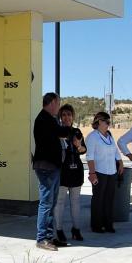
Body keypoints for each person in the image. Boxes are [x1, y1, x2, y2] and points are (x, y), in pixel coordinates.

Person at [32, 92, 83, 252]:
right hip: (46, 167)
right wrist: (71, 131)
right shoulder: (44, 119)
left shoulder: (49, 119)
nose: (59, 108)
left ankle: (49, 236)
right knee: (46, 203)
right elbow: (61, 132)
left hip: (52, 167)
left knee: (51, 202)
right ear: (53, 102)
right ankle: (42, 238)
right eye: (58, 104)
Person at [85, 111, 124, 233]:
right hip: (99, 172)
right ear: (99, 122)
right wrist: (92, 173)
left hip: (111, 172)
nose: (109, 124)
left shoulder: (109, 135)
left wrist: (121, 162)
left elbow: (116, 152)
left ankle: (108, 224)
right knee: (98, 199)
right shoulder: (92, 137)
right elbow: (89, 156)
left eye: (109, 122)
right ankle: (96, 225)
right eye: (107, 122)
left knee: (109, 199)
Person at [54, 104, 87, 244]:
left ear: (73, 116)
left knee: (75, 201)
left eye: (69, 114)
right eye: (64, 115)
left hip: (76, 170)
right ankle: (59, 230)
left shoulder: (77, 131)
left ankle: (76, 229)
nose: (66, 117)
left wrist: (78, 145)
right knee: (60, 202)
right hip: (61, 171)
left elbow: (84, 150)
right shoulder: (57, 132)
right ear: (60, 117)